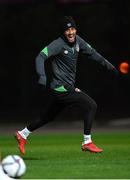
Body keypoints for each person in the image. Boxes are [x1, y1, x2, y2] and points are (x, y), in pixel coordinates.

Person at [15, 16, 118, 154]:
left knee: (48, 117)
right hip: (60, 88)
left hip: (65, 87)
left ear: (76, 29)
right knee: (91, 105)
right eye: (67, 30)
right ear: (63, 32)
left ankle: (23, 134)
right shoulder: (58, 44)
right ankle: (87, 141)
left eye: (73, 29)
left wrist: (109, 65)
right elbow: (40, 56)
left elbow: (93, 53)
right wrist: (42, 76)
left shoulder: (78, 41)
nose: (70, 32)